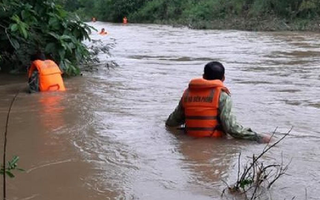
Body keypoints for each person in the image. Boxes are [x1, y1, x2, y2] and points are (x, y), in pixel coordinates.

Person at [165, 61, 271, 143]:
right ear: (223, 78)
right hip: (214, 142)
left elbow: (171, 122)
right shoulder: (222, 96)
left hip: (189, 142)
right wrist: (258, 137)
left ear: (203, 76)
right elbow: (232, 129)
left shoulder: (187, 94)